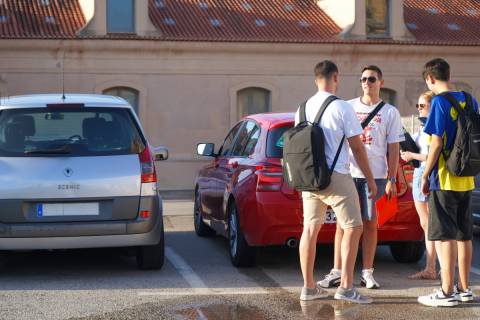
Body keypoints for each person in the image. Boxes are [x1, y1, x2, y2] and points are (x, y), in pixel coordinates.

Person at [297, 60, 377, 304]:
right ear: (336, 78)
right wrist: (371, 180)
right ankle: (346, 287)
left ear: (315, 79)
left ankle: (309, 288)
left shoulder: (301, 108)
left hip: (309, 178)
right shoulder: (342, 107)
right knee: (354, 227)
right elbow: (357, 147)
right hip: (337, 176)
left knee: (310, 229)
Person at [319, 65, 404, 290]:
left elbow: (393, 148)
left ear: (381, 82)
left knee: (370, 224)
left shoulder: (389, 112)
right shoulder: (348, 106)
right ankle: (337, 271)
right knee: (342, 224)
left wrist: (392, 179)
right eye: (364, 79)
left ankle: (367, 272)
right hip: (347, 173)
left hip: (375, 176)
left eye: (372, 79)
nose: (367, 82)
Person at [418, 58, 476, 307]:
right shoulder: (469, 98)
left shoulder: (439, 102)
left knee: (445, 236)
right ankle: (465, 289)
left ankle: (446, 291)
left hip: (444, 178)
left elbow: (436, 143)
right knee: (465, 236)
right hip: (467, 177)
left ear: (430, 79)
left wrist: (424, 174)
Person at [401, 91, 441, 280]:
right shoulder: (425, 127)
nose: (419, 109)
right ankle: (432, 266)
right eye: (417, 105)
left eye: (422, 105)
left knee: (429, 225)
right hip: (422, 173)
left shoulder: (432, 129)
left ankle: (432, 268)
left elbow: (433, 154)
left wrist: (411, 156)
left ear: (432, 107)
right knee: (428, 225)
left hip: (426, 174)